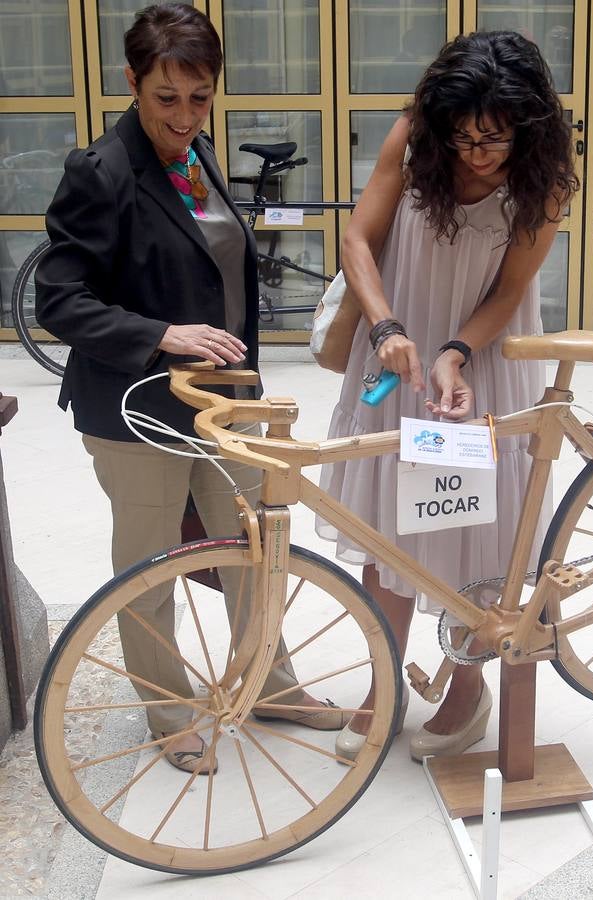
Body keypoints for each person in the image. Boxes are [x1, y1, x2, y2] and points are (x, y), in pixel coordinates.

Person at [35, 2, 345, 775]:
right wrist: (161, 333)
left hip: (224, 399)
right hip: (137, 408)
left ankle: (272, 686)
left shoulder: (198, 153)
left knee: (253, 548)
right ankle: (167, 712)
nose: (183, 114)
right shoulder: (101, 171)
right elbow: (60, 301)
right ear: (132, 81)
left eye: (199, 97)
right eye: (166, 97)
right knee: (149, 570)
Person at [316, 30, 578, 761]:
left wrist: (456, 354)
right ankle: (385, 687)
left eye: (493, 138)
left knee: (475, 530)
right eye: (462, 138)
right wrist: (385, 326)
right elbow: (358, 241)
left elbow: (511, 289)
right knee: (385, 530)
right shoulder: (412, 139)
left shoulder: (543, 180)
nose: (476, 153)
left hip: (478, 365)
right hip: (394, 357)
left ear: (526, 125)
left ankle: (467, 689)